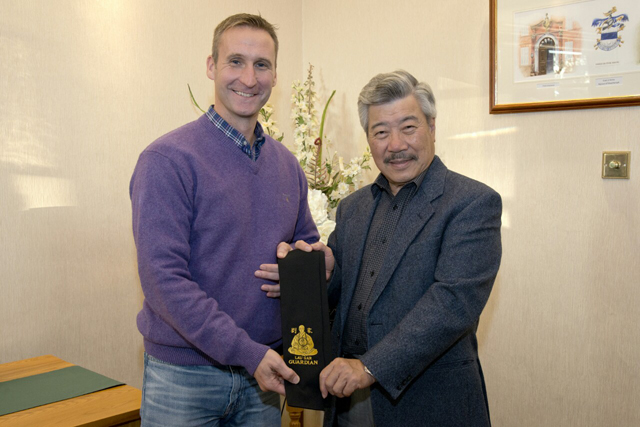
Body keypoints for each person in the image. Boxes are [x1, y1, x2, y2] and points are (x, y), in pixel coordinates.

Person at [260, 70, 502, 426]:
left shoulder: (472, 202)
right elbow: (343, 298)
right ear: (368, 139)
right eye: (381, 132)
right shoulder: (353, 208)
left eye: (408, 127)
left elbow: (452, 303)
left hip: (429, 401)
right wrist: (322, 277)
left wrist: (370, 367)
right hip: (346, 398)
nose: (395, 144)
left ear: (432, 127)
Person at [130, 13, 319, 426]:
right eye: (235, 61)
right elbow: (163, 281)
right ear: (212, 66)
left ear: (274, 75)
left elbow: (308, 245)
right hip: (185, 378)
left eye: (262, 65)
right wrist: (248, 354)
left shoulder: (287, 166)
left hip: (265, 382)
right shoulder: (167, 160)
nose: (249, 78)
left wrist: (317, 263)